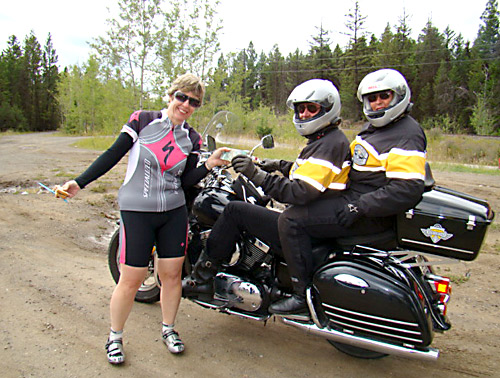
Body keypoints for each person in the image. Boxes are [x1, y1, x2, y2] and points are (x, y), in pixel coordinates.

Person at [54, 73, 228, 365]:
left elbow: (186, 181)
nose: (186, 105)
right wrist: (79, 182)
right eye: (182, 97)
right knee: (131, 279)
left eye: (194, 102)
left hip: (173, 212)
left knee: (171, 276)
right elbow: (113, 153)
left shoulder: (193, 138)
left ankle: (169, 329)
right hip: (137, 210)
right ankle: (115, 336)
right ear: (170, 96)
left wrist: (209, 165)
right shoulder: (142, 120)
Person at [182, 79, 352, 311]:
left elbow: (298, 192)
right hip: (312, 218)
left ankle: (202, 279)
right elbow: (307, 172)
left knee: (234, 211)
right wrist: (275, 165)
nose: (304, 114)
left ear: (327, 109)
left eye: (311, 108)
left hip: (305, 223)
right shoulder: (324, 140)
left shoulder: (329, 144)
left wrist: (256, 174)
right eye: (300, 108)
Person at [268, 68, 428, 314]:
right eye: (371, 98)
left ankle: (302, 296)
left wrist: (360, 207)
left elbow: (407, 188)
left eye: (383, 96)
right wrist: (284, 167)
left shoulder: (406, 133)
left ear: (398, 96)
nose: (377, 103)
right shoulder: (379, 129)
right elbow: (344, 169)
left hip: (368, 215)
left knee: (291, 220)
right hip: (355, 202)